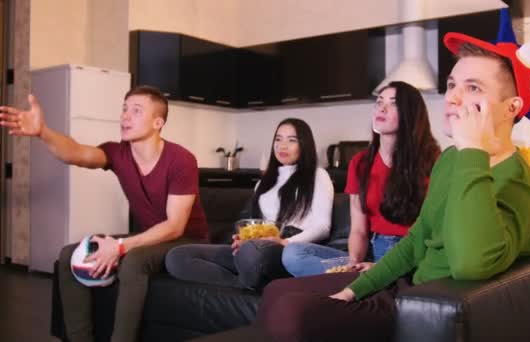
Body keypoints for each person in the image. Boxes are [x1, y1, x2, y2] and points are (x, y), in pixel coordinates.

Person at [255, 8, 530, 342]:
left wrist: (474, 150)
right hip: (408, 285)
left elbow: (471, 265)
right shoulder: (450, 160)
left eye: (473, 88)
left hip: (427, 304)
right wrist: (359, 287)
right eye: (452, 84)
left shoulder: (521, 186)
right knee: (276, 292)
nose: (452, 98)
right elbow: (417, 238)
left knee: (290, 313)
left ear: (512, 108)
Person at [0, 85, 208, 342]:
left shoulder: (181, 159)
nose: (125, 116)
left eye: (136, 110)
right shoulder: (118, 153)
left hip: (188, 242)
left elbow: (175, 226)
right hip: (152, 237)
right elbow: (75, 153)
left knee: (134, 262)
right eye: (124, 109)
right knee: (69, 255)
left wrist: (121, 246)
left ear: (158, 122)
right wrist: (43, 132)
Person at [282, 81, 440, 277]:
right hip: (372, 251)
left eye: (393, 103)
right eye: (380, 101)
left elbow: (434, 231)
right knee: (293, 253)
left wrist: (387, 266)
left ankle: (372, 279)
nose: (382, 107)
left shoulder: (433, 161)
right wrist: (353, 262)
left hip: (410, 255)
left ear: (410, 114)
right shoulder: (360, 163)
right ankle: (357, 278)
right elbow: (358, 230)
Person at [165, 118, 334, 289]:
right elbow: (257, 224)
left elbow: (322, 227)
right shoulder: (264, 182)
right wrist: (244, 239)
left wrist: (283, 243)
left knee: (252, 252)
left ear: (304, 145)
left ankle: (251, 273)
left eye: (292, 140)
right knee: (178, 256)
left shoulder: (317, 176)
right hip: (257, 248)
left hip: (288, 249)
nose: (282, 146)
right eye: (278, 139)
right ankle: (242, 284)